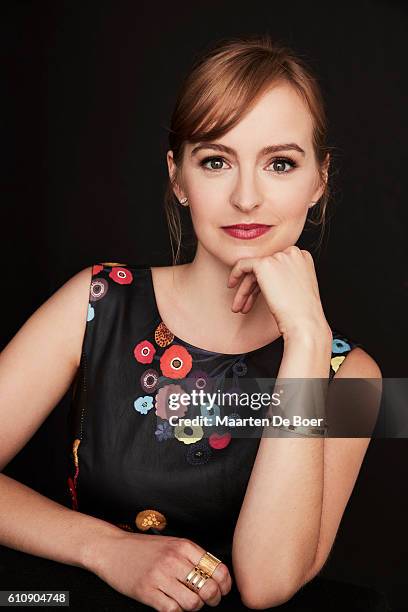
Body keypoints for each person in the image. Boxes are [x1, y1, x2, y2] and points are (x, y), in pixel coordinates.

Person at [0, 34, 384, 611]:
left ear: (319, 179)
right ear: (177, 176)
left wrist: (307, 339)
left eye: (280, 163)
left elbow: (267, 583)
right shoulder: (98, 301)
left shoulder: (353, 378)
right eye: (215, 161)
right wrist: (106, 549)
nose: (247, 197)